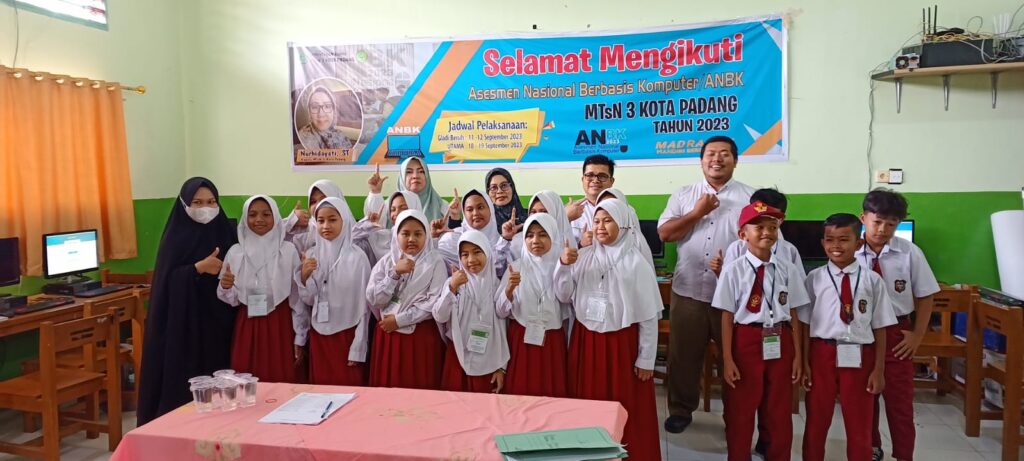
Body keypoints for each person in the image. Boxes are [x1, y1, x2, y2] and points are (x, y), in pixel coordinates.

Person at [657, 135, 754, 433]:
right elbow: (665, 234)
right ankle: (680, 410)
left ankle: (736, 417)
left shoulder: (750, 198)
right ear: (701, 161)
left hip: (735, 296)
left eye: (725, 153)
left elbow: (765, 243)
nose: (717, 159)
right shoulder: (684, 195)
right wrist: (697, 212)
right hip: (688, 291)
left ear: (735, 161)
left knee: (734, 358)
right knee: (683, 356)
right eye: (711, 153)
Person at [556, 199, 662, 461]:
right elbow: (564, 295)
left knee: (623, 403)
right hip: (587, 342)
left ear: (623, 224)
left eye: (608, 220)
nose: (600, 226)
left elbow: (648, 316)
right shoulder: (583, 256)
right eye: (596, 221)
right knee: (588, 403)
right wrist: (564, 266)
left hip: (621, 346)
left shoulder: (636, 263)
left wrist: (646, 358)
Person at [712, 201, 809, 461]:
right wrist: (728, 359)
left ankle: (778, 455)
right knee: (741, 407)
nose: (767, 232)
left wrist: (798, 355)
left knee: (779, 407)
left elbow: (795, 313)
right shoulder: (733, 270)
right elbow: (726, 316)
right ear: (743, 234)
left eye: (772, 227)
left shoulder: (788, 269)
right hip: (746, 339)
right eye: (759, 227)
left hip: (781, 338)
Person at [137, 177, 237, 426]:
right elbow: (166, 284)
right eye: (197, 202)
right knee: (184, 389)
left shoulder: (225, 232)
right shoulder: (175, 238)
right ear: (184, 204)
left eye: (211, 202)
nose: (206, 208)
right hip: (183, 326)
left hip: (219, 322)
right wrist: (197, 268)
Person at [800, 213, 896, 461]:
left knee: (859, 422)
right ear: (822, 243)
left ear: (859, 243)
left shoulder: (872, 280)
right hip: (821, 354)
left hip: (860, 355)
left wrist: (879, 369)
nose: (836, 246)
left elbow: (880, 327)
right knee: (816, 420)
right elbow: (804, 324)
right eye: (830, 239)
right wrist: (805, 363)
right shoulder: (814, 279)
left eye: (844, 239)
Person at [857, 189, 939, 461]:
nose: (883, 230)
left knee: (900, 403)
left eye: (891, 224)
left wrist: (917, 335)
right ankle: (872, 448)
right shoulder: (849, 251)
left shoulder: (909, 252)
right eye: (877, 222)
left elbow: (926, 295)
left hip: (896, 334)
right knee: (865, 399)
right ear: (863, 218)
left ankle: (904, 455)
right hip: (861, 333)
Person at [217, 195, 301, 384]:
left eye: (266, 214)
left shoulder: (288, 251)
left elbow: (297, 298)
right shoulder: (236, 252)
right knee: (246, 378)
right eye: (252, 214)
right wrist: (225, 286)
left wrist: (300, 335)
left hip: (280, 323)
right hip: (248, 323)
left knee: (279, 376)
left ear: (276, 217)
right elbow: (231, 299)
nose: (259, 220)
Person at [365, 210, 448, 389]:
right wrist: (394, 274)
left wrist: (399, 320)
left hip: (420, 336)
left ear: (426, 235)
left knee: (419, 389)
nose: (411, 239)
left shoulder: (435, 262)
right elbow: (374, 298)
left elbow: (433, 302)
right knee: (389, 391)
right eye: (405, 234)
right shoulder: (387, 262)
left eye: (418, 234)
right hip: (389, 334)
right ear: (396, 234)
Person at [296, 197, 372, 385]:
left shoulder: (357, 257)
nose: (325, 226)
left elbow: (365, 307)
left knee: (349, 390)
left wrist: (359, 346)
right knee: (320, 390)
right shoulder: (312, 254)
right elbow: (309, 300)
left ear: (344, 220)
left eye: (332, 219)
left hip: (347, 334)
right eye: (320, 220)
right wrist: (304, 277)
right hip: (319, 334)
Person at [497, 213, 570, 397]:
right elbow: (500, 311)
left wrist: (563, 268)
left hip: (551, 340)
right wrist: (509, 290)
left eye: (543, 234)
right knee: (521, 392)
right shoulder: (516, 267)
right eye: (529, 235)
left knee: (551, 393)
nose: (535, 240)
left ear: (553, 236)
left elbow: (566, 298)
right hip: (522, 339)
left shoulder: (561, 266)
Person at [433, 230, 510, 393]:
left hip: (489, 360)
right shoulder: (454, 283)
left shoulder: (497, 286)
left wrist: (501, 367)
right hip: (458, 356)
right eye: (465, 255)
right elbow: (440, 316)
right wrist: (452, 288)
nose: (471, 260)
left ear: (487, 253)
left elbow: (503, 329)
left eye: (477, 252)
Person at [714, 188, 805, 277]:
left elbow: (799, 282)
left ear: (781, 220)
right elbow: (728, 280)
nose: (766, 232)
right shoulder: (737, 248)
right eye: (760, 225)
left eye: (771, 218)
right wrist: (720, 272)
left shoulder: (789, 250)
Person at [437, 189, 511, 278]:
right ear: (464, 213)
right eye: (470, 209)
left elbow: (499, 271)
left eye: (480, 207)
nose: (475, 213)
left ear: (490, 209)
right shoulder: (451, 240)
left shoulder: (504, 241)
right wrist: (433, 238)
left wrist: (505, 240)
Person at [365, 157, 454, 223]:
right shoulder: (389, 206)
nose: (415, 176)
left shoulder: (443, 206)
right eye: (409, 172)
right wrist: (375, 193)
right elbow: (374, 227)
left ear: (427, 176)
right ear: (402, 178)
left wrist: (455, 216)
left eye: (421, 171)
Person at [354, 190, 422, 265]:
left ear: (415, 210)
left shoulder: (425, 241)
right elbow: (349, 244)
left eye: (403, 208)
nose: (396, 213)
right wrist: (366, 225)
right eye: (393, 209)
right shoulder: (380, 238)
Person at [596, 188, 655, 269]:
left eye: (614, 204)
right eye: (604, 204)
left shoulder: (637, 248)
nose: (608, 208)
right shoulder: (591, 248)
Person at [565, 154, 616, 244]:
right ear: (583, 179)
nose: (595, 180)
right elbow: (557, 248)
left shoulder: (625, 210)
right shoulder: (568, 211)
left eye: (602, 176)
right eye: (590, 175)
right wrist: (565, 218)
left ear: (611, 181)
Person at [296, 86, 354, 150]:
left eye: (327, 106)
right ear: (309, 112)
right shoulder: (301, 138)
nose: (321, 114)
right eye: (315, 107)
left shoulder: (341, 136)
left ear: (334, 111)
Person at [485, 168, 527, 233]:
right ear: (488, 192)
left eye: (504, 185)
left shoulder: (529, 218)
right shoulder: (486, 222)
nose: (499, 191)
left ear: (512, 188)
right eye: (493, 187)